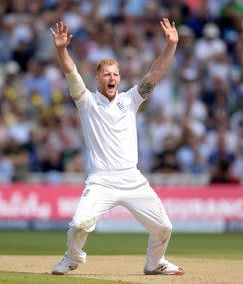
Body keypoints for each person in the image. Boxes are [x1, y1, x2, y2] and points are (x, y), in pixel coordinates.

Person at [50, 19, 184, 275]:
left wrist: (171, 46)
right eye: (106, 74)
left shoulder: (130, 99)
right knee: (79, 224)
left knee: (164, 227)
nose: (112, 78)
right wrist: (61, 50)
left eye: (115, 74)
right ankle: (72, 257)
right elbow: (71, 73)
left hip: (132, 179)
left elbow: (154, 73)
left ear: (119, 78)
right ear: (98, 78)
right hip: (101, 180)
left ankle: (155, 262)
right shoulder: (86, 101)